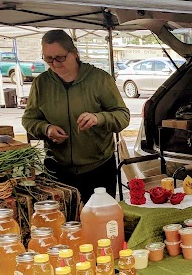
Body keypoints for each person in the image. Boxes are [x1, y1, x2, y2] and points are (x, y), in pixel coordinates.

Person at [22, 30, 130, 201]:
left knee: (98, 223)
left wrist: (98, 118)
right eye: (49, 59)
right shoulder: (41, 83)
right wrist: (46, 128)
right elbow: (29, 120)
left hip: (98, 169)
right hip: (57, 170)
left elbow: (122, 116)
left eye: (60, 57)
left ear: (75, 53)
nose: (55, 64)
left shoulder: (99, 79)